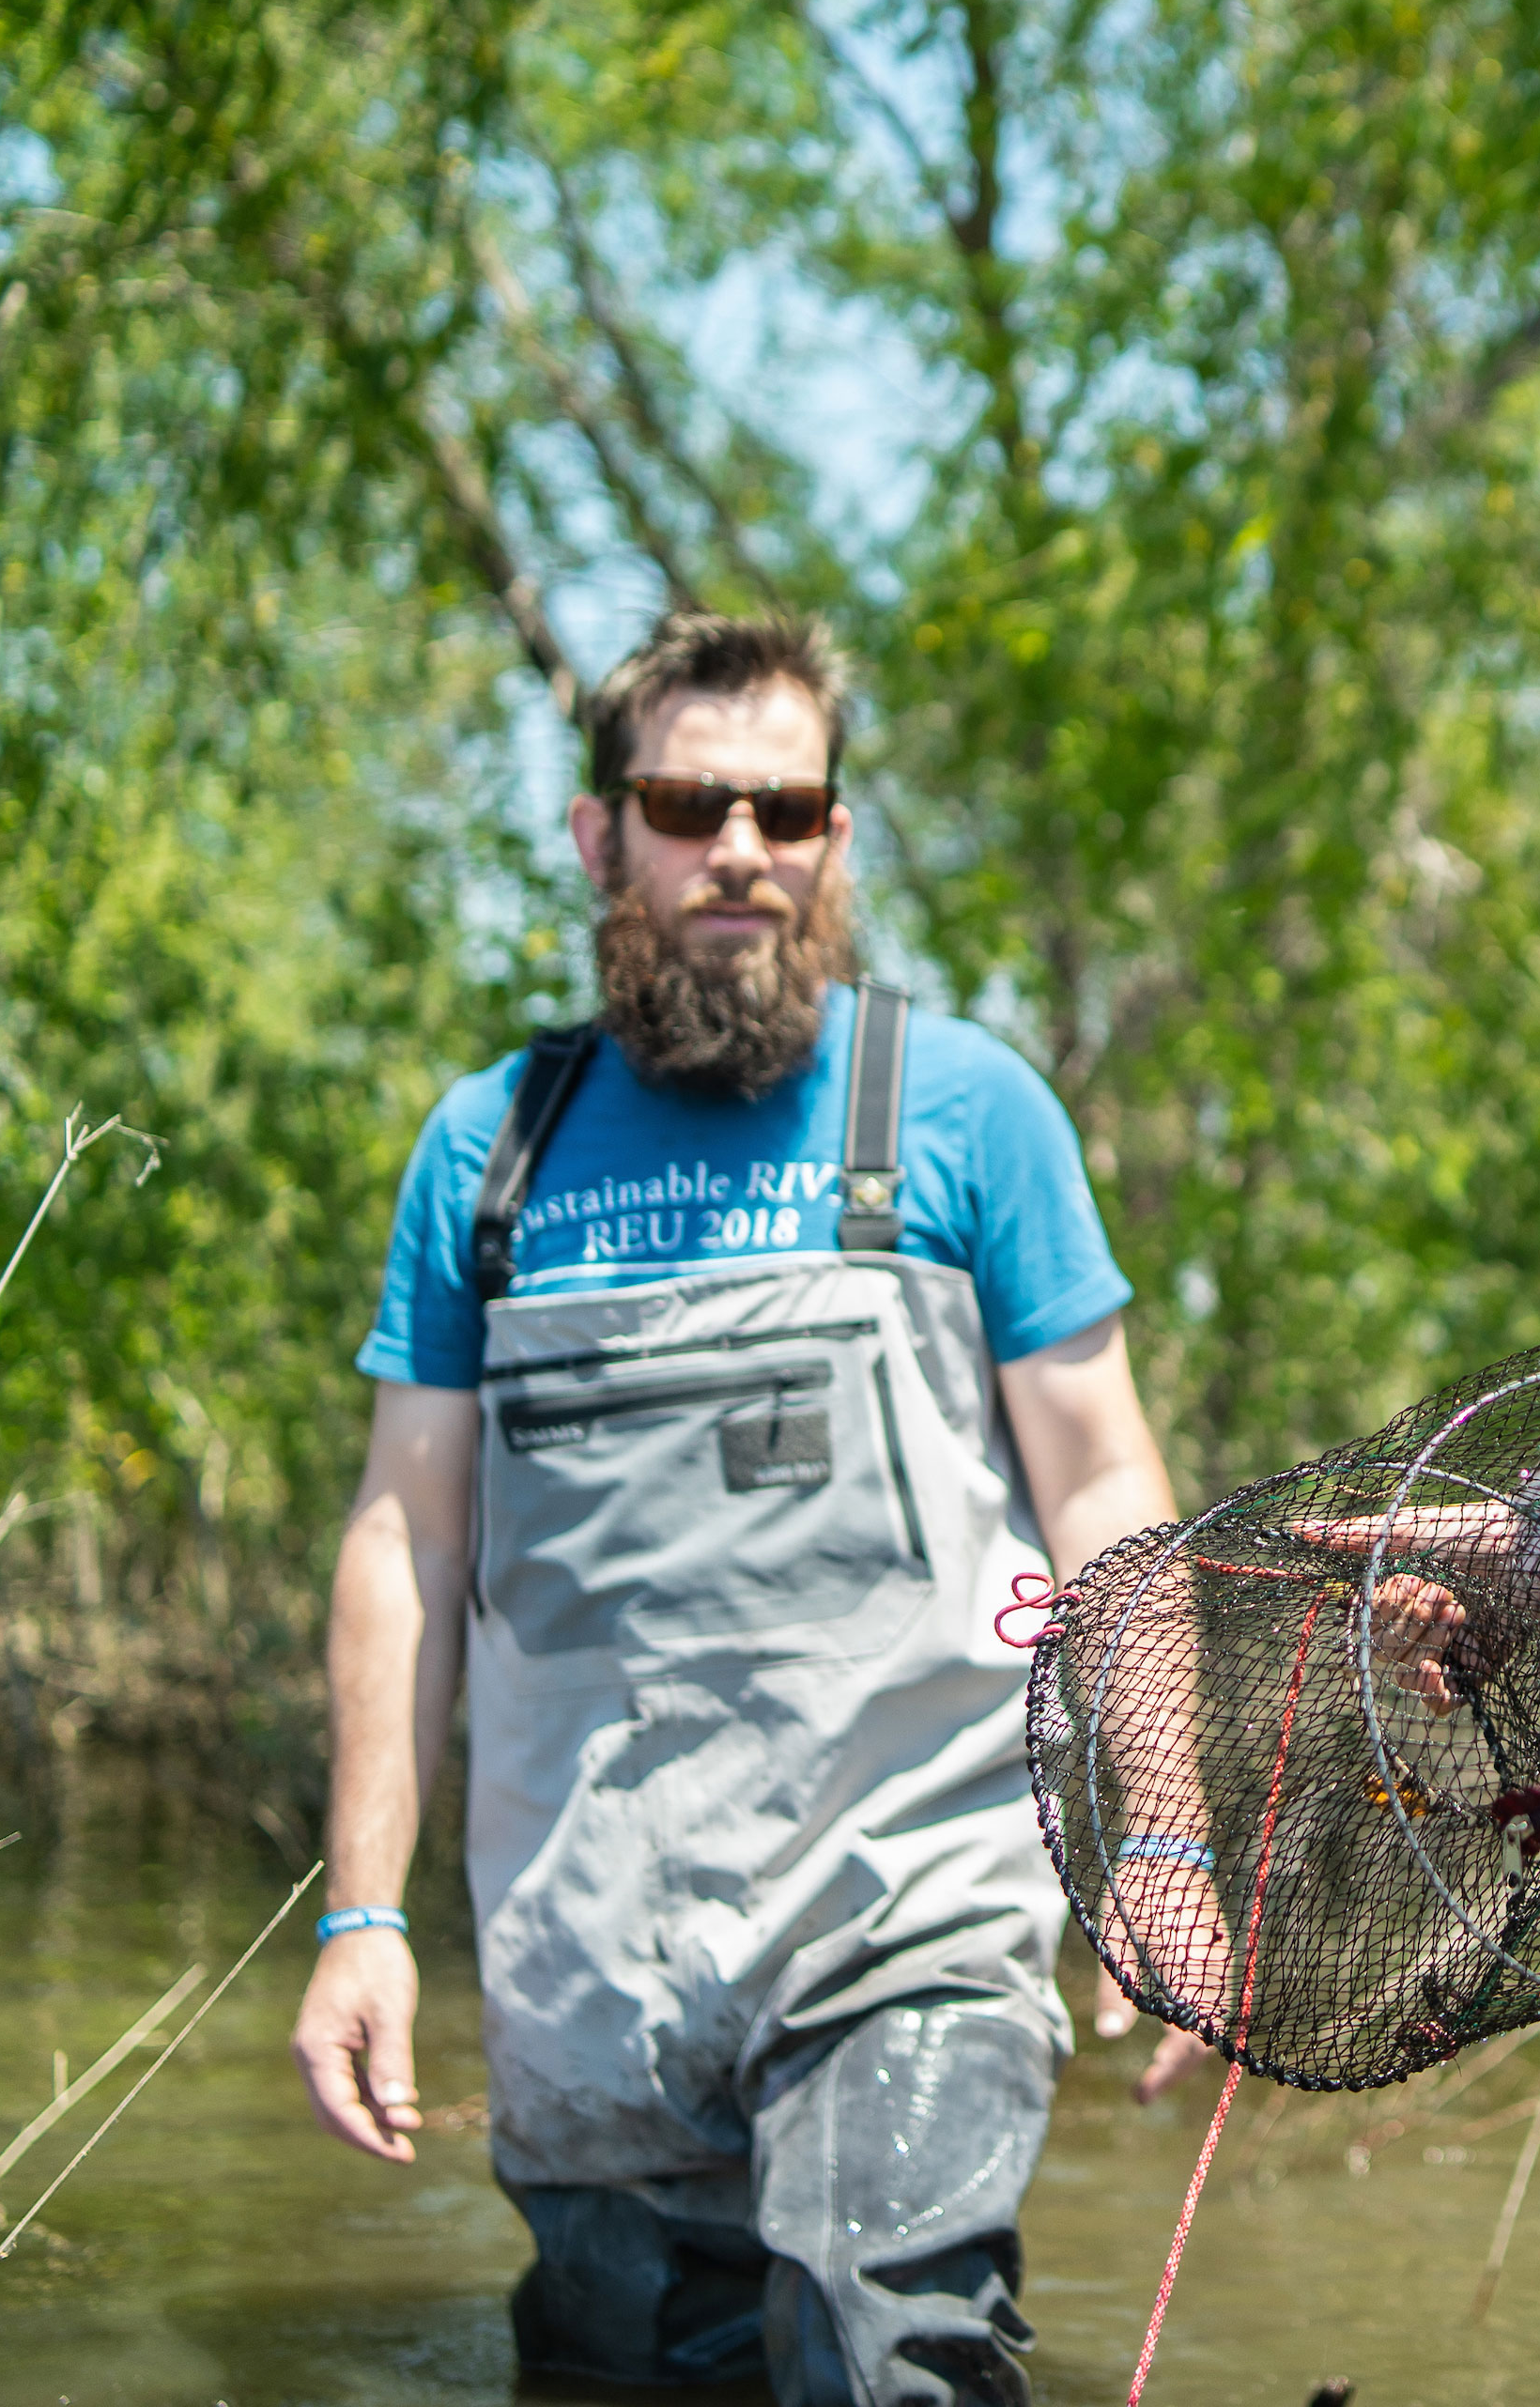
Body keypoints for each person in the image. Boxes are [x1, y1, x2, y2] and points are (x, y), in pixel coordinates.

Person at [293, 608, 1203, 2407]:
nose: (740, 852)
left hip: (911, 1909)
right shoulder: (490, 1152)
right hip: (589, 1949)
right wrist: (361, 1918)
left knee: (888, 2353)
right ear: (599, 831)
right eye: (691, 804)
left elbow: (1106, 1489)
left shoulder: (970, 1114)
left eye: (786, 812)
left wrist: (1160, 1850)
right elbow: (407, 1542)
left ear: (836, 840)